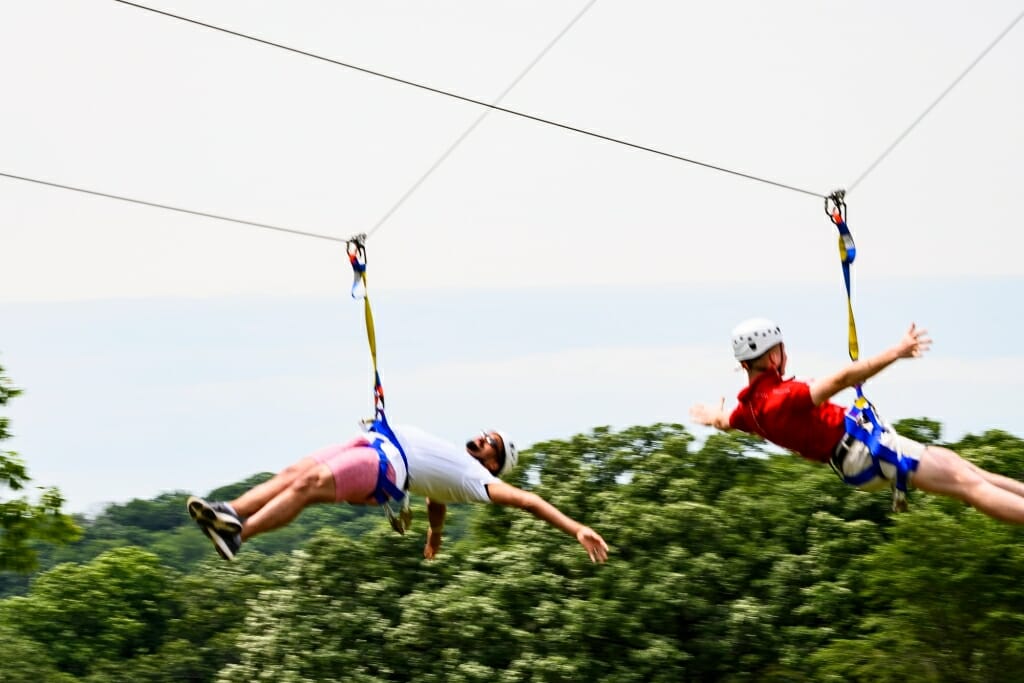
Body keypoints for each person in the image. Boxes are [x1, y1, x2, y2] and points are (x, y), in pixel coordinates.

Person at [690, 318, 1024, 524]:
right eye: (781, 349)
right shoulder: (783, 399)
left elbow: (726, 421)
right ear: (773, 355)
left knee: (963, 469)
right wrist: (898, 351)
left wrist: (712, 417)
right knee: (968, 486)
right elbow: (843, 378)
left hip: (857, 456)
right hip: (864, 452)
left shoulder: (747, 410)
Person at [187, 425, 609, 562]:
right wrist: (435, 536)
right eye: (484, 434)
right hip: (373, 442)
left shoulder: (482, 483)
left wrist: (575, 530)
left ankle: (241, 533)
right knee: (295, 472)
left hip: (385, 467)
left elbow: (529, 502)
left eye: (490, 443)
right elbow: (436, 498)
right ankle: (228, 512)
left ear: (494, 465)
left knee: (307, 486)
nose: (481, 439)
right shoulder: (457, 472)